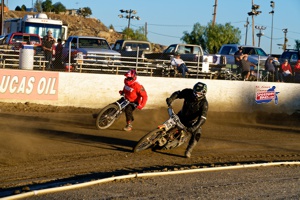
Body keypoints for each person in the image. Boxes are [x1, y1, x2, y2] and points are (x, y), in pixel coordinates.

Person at [166, 82, 208, 158]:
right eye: (195, 92)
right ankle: (159, 132)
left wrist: (194, 127)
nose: (195, 95)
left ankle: (189, 150)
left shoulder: (204, 103)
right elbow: (178, 93)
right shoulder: (188, 92)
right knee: (169, 122)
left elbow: (203, 118)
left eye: (198, 93)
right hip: (181, 116)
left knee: (197, 134)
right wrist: (171, 99)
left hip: (192, 122)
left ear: (203, 93)